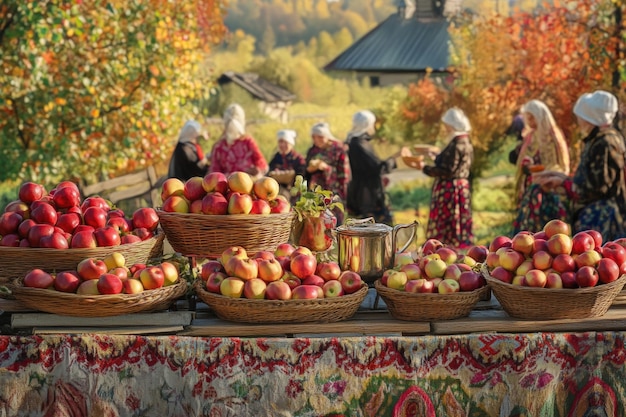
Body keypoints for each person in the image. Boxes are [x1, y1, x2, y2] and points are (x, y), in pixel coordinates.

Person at [535, 90, 626, 240]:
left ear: (590, 118)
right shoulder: (599, 139)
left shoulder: (605, 143)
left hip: (602, 220)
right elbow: (591, 177)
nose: (578, 121)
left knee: (599, 259)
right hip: (596, 217)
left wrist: (564, 183)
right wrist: (560, 176)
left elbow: (598, 188)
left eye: (581, 117)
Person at [406, 107, 474, 249]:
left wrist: (424, 167)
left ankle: (447, 246)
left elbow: (447, 171)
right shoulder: (464, 140)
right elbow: (452, 164)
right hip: (460, 186)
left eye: (446, 124)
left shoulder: (457, 143)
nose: (445, 127)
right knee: (457, 219)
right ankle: (455, 245)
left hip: (450, 189)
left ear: (452, 124)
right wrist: (436, 157)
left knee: (448, 220)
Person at [512, 100, 570, 233]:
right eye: (528, 118)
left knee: (548, 225)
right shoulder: (530, 136)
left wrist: (546, 173)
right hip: (532, 185)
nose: (530, 121)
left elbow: (561, 162)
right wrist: (527, 166)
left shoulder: (553, 135)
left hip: (548, 186)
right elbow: (524, 158)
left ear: (540, 116)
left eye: (532, 117)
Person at [345, 110, 401, 225]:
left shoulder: (353, 142)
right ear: (367, 125)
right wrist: (396, 157)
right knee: (373, 232)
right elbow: (377, 169)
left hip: (360, 194)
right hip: (367, 197)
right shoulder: (359, 144)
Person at [210, 104, 268, 178]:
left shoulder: (247, 142)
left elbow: (262, 163)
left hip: (247, 183)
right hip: (227, 185)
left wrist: (257, 170)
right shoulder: (219, 146)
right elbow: (214, 173)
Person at [305, 121, 350, 202]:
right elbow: (305, 172)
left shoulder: (338, 150)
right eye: (314, 137)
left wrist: (326, 168)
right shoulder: (312, 151)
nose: (317, 140)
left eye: (320, 137)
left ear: (327, 136)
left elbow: (344, 175)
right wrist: (309, 170)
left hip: (334, 191)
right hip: (315, 192)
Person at [268, 129, 307, 201]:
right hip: (277, 189)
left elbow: (302, 173)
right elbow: (269, 172)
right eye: (280, 142)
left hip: (293, 191)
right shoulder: (276, 157)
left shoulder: (298, 158)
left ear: (291, 143)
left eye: (285, 142)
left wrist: (291, 177)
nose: (282, 145)